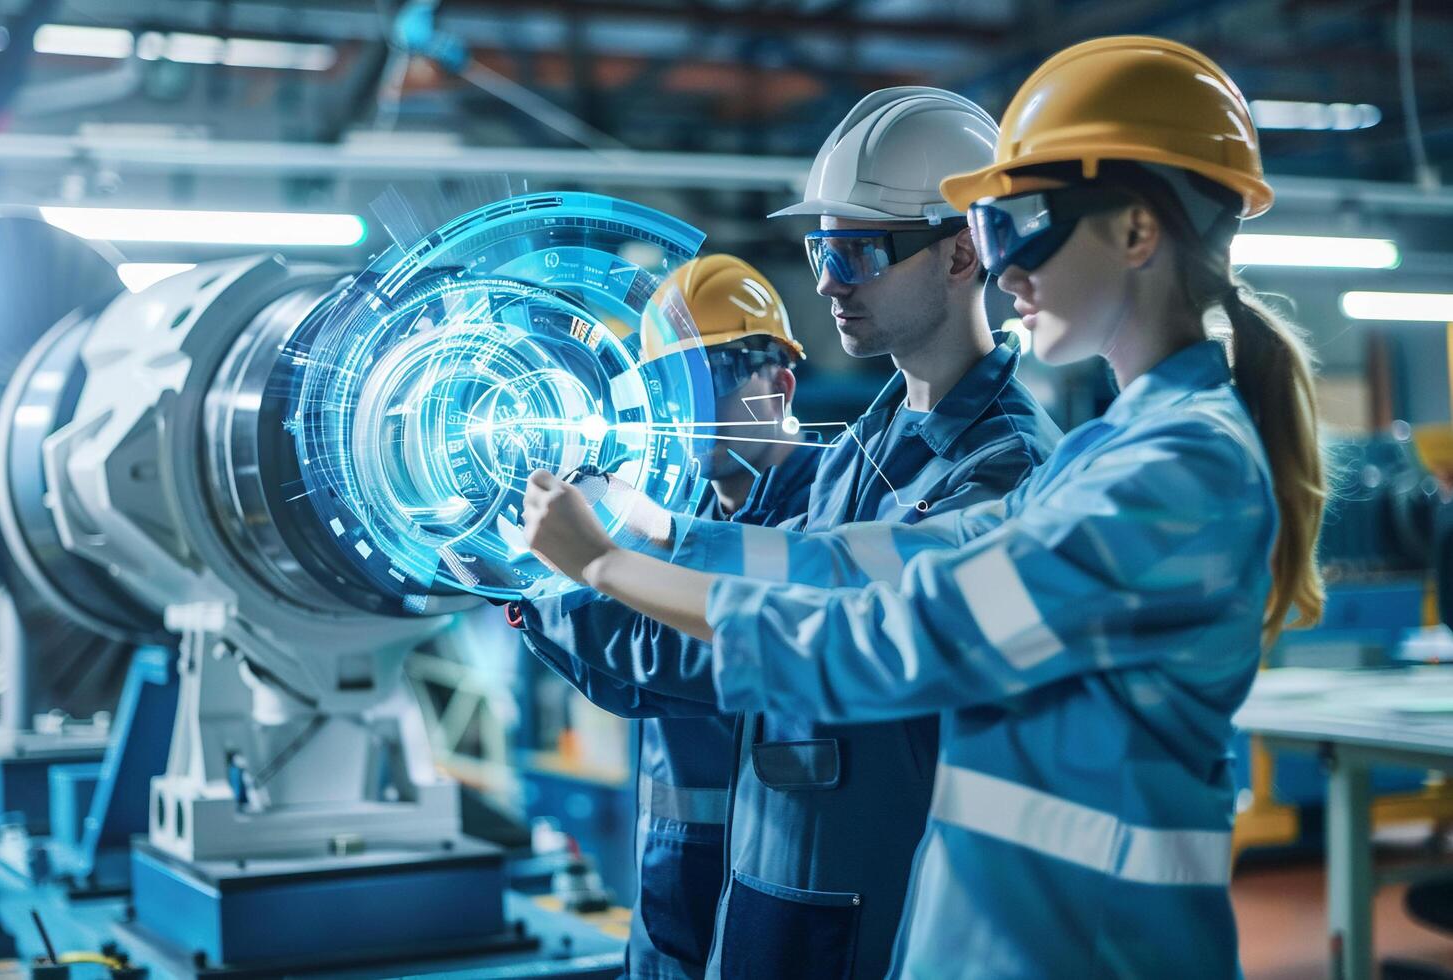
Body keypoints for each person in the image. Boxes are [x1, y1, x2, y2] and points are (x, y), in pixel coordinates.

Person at [521, 36, 1326, 979]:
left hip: (1088, 949)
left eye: (1023, 224)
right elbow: (875, 560)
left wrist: (606, 569)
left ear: (1138, 233)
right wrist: (663, 531)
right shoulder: (1115, 452)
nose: (1007, 266)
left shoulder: (1172, 475)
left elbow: (898, 632)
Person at [516, 87, 1059, 979]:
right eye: (820, 249)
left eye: (857, 250)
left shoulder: (1006, 468)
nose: (828, 282)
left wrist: (618, 554)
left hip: (892, 913)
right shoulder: (858, 453)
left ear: (963, 252)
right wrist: (531, 588)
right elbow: (724, 647)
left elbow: (826, 599)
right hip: (770, 906)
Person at [511, 253, 815, 980]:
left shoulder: (824, 526)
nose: (692, 408)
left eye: (715, 375)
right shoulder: (673, 522)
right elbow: (628, 685)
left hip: (780, 901)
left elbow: (694, 659)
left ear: (781, 384)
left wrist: (558, 582)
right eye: (672, 387)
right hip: (673, 896)